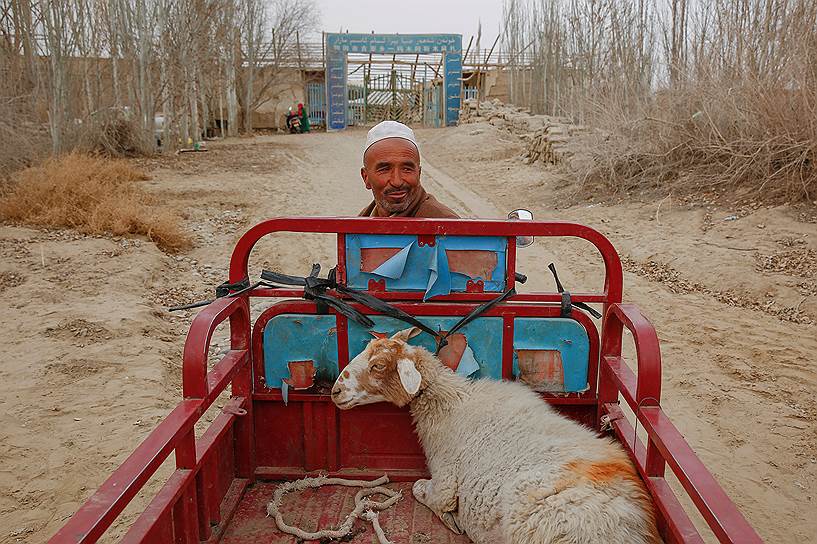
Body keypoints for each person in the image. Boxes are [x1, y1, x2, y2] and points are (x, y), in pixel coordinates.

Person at [358, 121, 459, 218]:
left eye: (407, 169)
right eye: (385, 170)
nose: (397, 182)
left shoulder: (445, 224)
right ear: (366, 178)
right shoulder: (360, 221)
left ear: (418, 174)